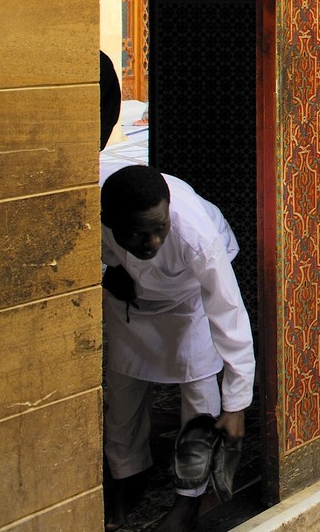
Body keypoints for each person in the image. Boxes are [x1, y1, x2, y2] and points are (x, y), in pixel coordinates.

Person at [101, 165, 254, 532]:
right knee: (122, 390)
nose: (152, 243)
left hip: (190, 297)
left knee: (199, 395)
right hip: (134, 302)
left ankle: (189, 497)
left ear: (169, 211)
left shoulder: (196, 237)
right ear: (108, 221)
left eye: (160, 229)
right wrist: (115, 266)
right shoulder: (96, 207)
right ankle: (126, 474)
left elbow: (229, 314)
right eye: (138, 234)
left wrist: (235, 403)